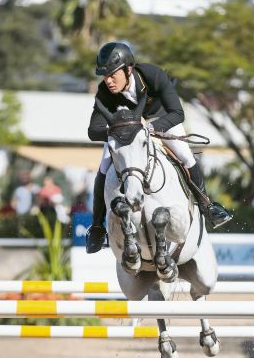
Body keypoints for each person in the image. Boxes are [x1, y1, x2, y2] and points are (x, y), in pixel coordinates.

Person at [85, 42, 233, 253]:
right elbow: (93, 130)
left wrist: (150, 127)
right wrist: (121, 128)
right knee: (103, 166)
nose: (108, 81)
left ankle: (207, 207)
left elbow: (177, 113)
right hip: (125, 131)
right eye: (104, 75)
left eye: (112, 75)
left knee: (185, 155)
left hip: (161, 120)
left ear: (128, 69)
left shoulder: (153, 75)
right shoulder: (104, 92)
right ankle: (98, 227)